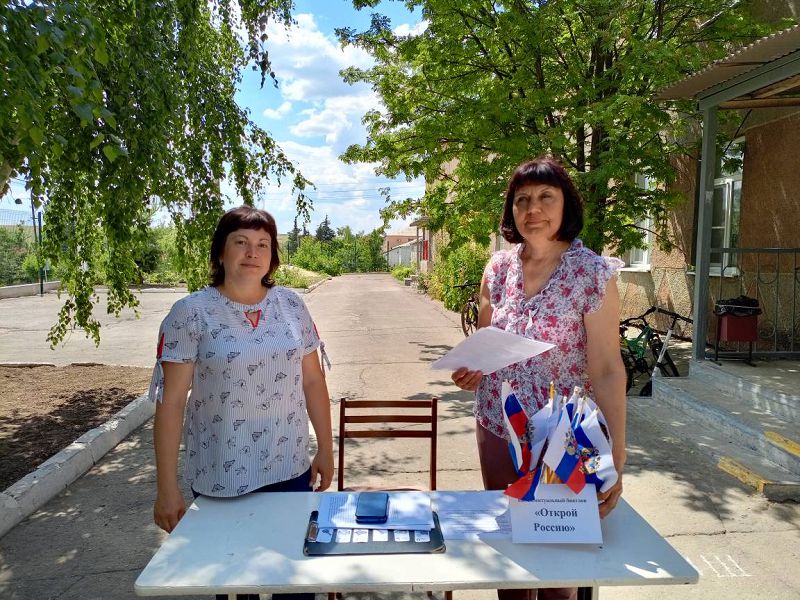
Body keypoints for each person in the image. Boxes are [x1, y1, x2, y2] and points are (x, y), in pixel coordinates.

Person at [451, 157, 627, 600]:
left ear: (566, 204)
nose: (533, 209)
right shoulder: (497, 269)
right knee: (510, 557)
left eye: (546, 197)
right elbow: (488, 344)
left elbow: (607, 369)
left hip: (563, 437)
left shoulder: (592, 273)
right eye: (522, 200)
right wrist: (473, 371)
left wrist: (617, 457)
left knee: (557, 565)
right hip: (498, 426)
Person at [149, 206, 333, 600]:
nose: (252, 253)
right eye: (241, 242)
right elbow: (171, 404)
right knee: (233, 581)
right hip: (222, 474)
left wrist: (325, 447)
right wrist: (167, 488)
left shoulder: (292, 306)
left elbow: (313, 381)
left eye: (263, 244)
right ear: (221, 251)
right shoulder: (191, 314)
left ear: (272, 256)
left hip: (289, 468)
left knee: (295, 580)